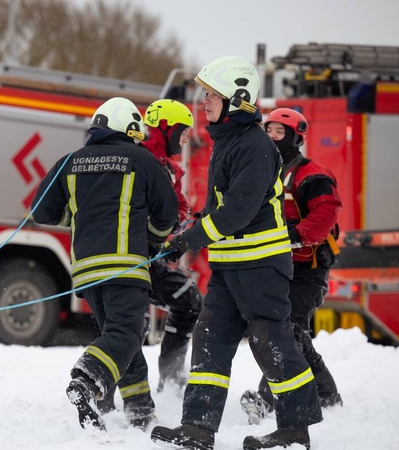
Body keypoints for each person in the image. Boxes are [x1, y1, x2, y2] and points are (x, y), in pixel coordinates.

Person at [150, 57, 323, 450]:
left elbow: (237, 212)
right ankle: (198, 428)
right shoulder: (228, 141)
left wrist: (191, 240)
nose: (205, 100)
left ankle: (295, 430)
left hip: (260, 265)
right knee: (210, 335)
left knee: (268, 338)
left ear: (238, 99)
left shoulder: (254, 145)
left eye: (213, 94)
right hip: (230, 266)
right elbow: (218, 208)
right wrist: (184, 236)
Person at [31, 97, 178, 431]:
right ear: (129, 128)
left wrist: (79, 217)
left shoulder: (70, 161)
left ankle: (140, 410)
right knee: (127, 332)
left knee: (121, 336)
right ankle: (86, 379)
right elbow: (167, 214)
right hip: (125, 265)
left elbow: (41, 211)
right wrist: (152, 239)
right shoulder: (142, 159)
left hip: (87, 270)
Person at [240, 108, 343, 425]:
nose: (271, 136)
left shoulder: (312, 174)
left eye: (279, 132)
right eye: (268, 130)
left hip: (308, 269)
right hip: (276, 265)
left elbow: (325, 215)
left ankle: (267, 399)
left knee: (287, 329)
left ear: (297, 137)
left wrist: (293, 236)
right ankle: (326, 394)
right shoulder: (262, 170)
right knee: (292, 331)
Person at [142, 99, 203, 391]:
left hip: (151, 258)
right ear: (166, 128)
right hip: (131, 258)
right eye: (183, 132)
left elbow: (178, 210)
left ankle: (170, 381)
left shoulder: (168, 168)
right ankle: (114, 395)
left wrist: (190, 226)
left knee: (189, 301)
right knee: (131, 325)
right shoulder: (139, 160)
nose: (185, 139)